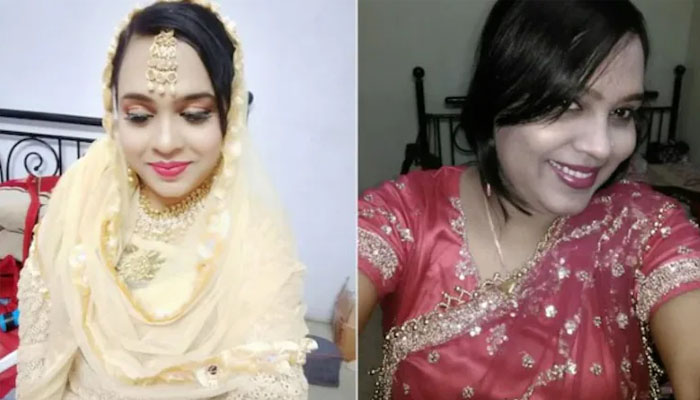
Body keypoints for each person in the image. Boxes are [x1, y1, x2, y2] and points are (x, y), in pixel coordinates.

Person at [358, 0, 700, 398]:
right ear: (498, 96)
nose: (601, 147)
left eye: (622, 112)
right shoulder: (408, 213)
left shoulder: (647, 225)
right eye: (568, 105)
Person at [15, 1, 315, 398]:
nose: (166, 142)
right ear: (114, 112)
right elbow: (42, 350)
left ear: (230, 113)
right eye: (139, 116)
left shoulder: (256, 235)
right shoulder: (81, 193)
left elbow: (268, 381)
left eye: (195, 114)